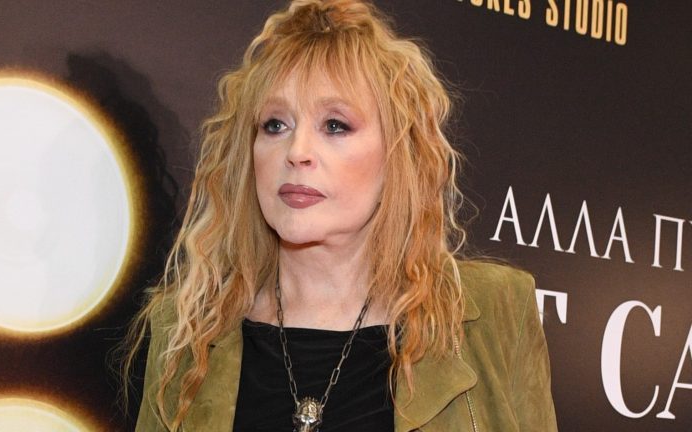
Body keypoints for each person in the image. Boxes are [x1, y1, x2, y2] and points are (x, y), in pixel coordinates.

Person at [126, 0, 557, 431]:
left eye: (335, 125)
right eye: (275, 125)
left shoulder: (497, 311)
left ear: (397, 153)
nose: (297, 152)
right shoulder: (185, 331)